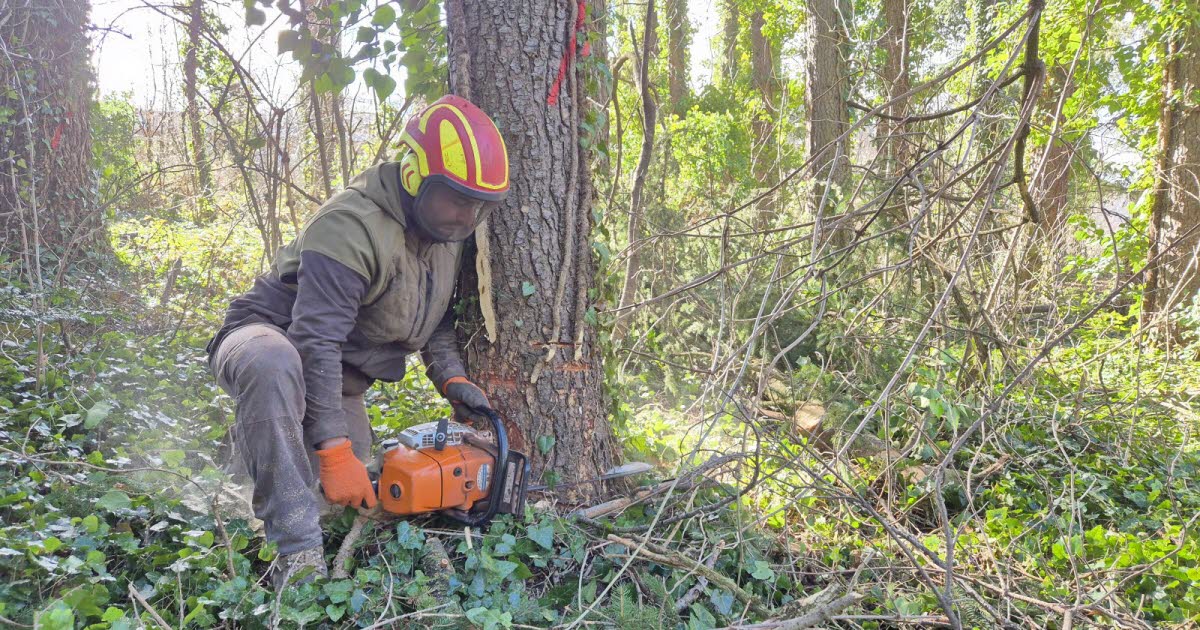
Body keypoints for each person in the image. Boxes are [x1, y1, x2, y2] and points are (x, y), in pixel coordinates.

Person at [206, 95, 508, 589]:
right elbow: (313, 340)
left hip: (337, 379)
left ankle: (256, 450)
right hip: (268, 339)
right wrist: (332, 450)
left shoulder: (446, 235)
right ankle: (296, 557)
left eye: (478, 204)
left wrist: (450, 377)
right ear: (414, 176)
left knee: (345, 502)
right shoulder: (351, 225)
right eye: (455, 198)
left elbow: (435, 317)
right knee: (275, 366)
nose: (465, 215)